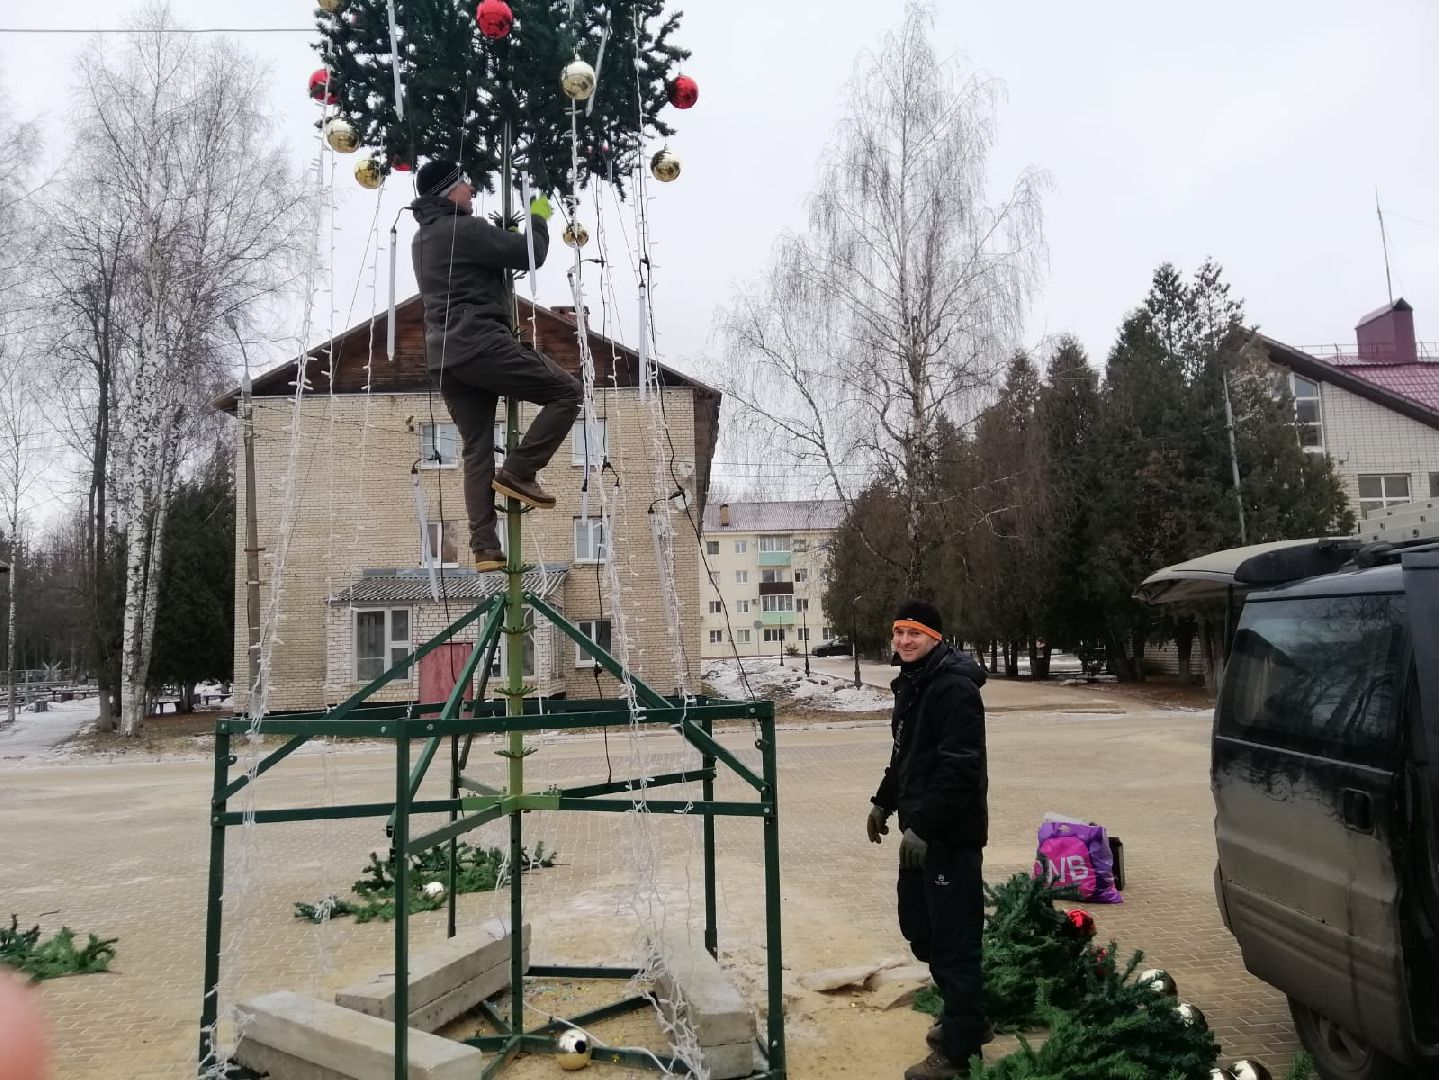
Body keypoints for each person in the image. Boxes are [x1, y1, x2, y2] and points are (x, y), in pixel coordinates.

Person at [411, 158, 583, 573]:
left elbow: (473, 270)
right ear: (448, 191)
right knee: (567, 392)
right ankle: (520, 471)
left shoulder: (424, 238)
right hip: (481, 344)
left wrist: (496, 243)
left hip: (444, 359)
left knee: (475, 449)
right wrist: (539, 213)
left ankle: (485, 546)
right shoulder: (463, 230)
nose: (472, 189)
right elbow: (532, 253)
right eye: (465, 184)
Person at [866, 599, 989, 1080]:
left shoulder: (954, 689)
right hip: (917, 834)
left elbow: (960, 769)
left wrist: (926, 828)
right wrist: (883, 800)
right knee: (919, 929)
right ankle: (969, 1017)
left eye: (913, 633)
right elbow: (906, 755)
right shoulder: (914, 683)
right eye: (898, 632)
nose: (903, 641)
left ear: (935, 637)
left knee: (954, 943)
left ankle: (959, 1052)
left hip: (949, 838)